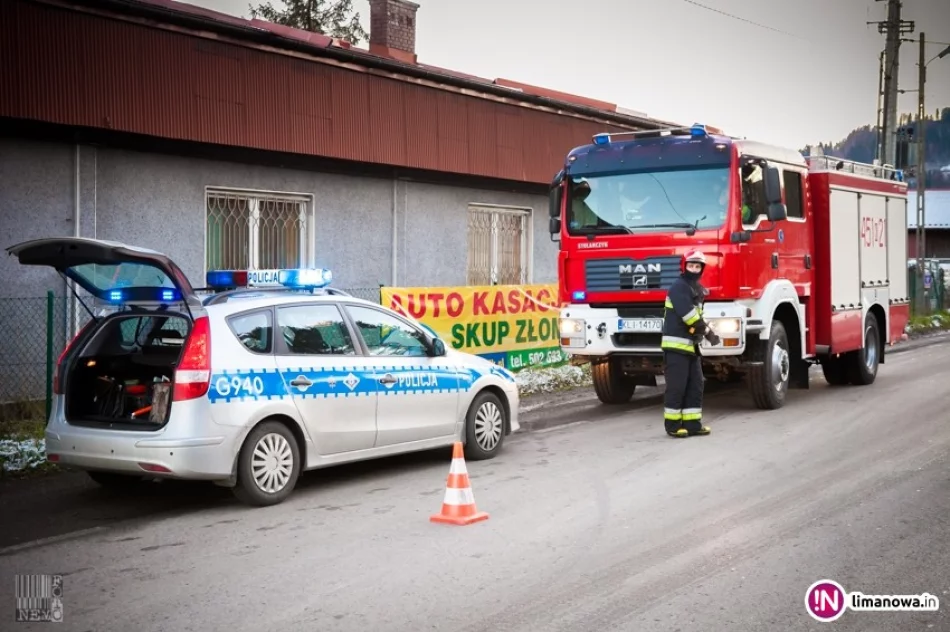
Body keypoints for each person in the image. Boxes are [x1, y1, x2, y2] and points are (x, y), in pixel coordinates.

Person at [660, 250, 720, 438]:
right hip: (676, 348)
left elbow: (698, 317)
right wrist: (708, 332)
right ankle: (673, 426)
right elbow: (689, 316)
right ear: (683, 266)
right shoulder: (679, 287)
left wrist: (706, 332)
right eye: (691, 266)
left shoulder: (696, 288)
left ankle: (693, 424)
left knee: (695, 385)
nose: (694, 269)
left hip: (690, 348)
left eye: (697, 266)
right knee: (677, 387)